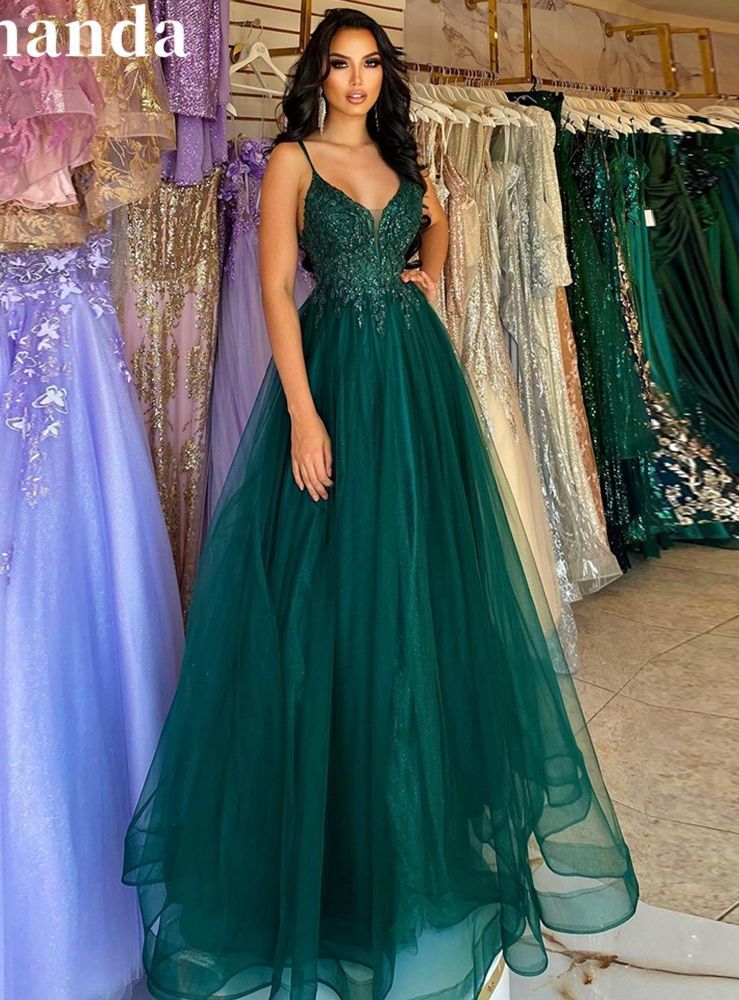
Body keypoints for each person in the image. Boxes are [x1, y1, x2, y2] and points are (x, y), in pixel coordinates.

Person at [122, 9, 639, 1000]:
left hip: (415, 384)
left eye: (369, 64)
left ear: (382, 76)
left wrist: (429, 276)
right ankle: (338, 853)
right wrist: (303, 415)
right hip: (338, 384)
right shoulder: (292, 161)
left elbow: (439, 220)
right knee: (333, 606)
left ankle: (414, 834)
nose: (356, 80)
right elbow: (275, 289)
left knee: (418, 601)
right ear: (316, 74)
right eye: (339, 64)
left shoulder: (405, 160)